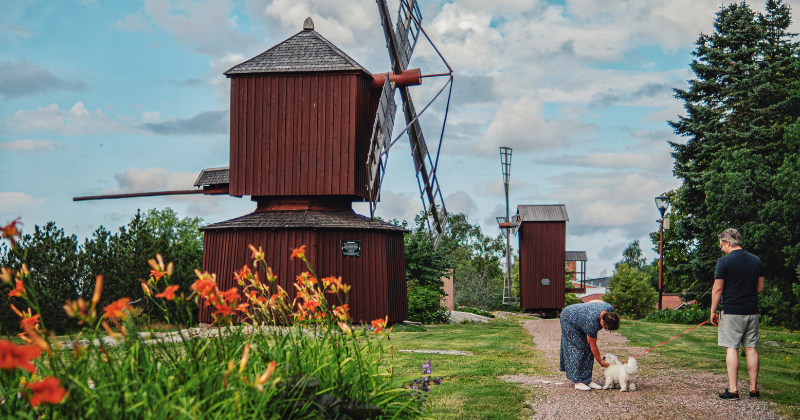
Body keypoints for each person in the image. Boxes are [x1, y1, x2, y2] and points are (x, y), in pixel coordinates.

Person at [710, 228, 765, 400]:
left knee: (732, 348)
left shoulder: (724, 262)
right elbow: (760, 288)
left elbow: (718, 288)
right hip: (752, 312)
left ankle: (733, 390)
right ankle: (753, 389)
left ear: (728, 243)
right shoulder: (756, 261)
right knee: (751, 348)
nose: (721, 249)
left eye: (721, 245)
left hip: (732, 312)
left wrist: (713, 310)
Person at [559, 300, 620, 391]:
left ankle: (587, 380)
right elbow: (593, 346)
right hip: (568, 318)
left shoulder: (608, 308)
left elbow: (595, 301)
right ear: (602, 321)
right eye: (606, 329)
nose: (605, 330)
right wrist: (601, 361)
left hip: (581, 316)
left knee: (587, 349)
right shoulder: (591, 322)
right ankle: (578, 381)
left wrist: (586, 308)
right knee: (578, 347)